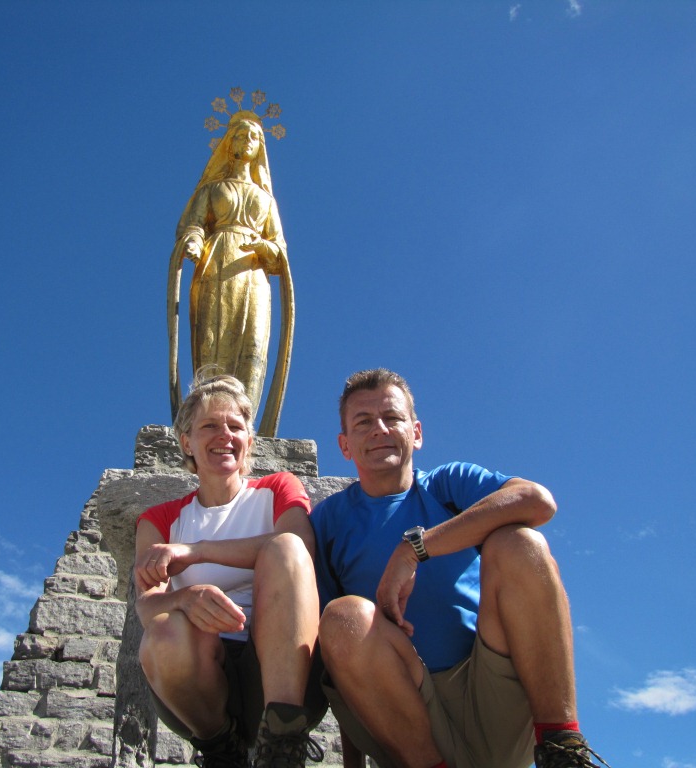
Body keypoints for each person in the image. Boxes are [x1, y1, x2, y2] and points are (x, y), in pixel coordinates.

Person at [310, 369, 610, 768]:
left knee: (520, 542)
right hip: (406, 713)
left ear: (416, 432)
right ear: (345, 445)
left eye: (392, 417)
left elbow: (537, 500)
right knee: (343, 616)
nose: (380, 429)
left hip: (491, 694)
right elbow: (334, 652)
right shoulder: (329, 521)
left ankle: (562, 747)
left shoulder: (448, 485)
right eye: (363, 422)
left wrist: (413, 550)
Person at [135, 372, 325, 768]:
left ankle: (282, 738)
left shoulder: (278, 489)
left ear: (249, 442)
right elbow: (147, 605)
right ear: (186, 442)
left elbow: (301, 548)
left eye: (235, 427)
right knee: (163, 630)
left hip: (278, 667)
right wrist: (185, 598)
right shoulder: (160, 519)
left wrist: (198, 551)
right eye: (209, 426)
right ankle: (221, 750)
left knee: (285, 547)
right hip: (200, 681)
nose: (224, 435)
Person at [167, 111, 294, 437]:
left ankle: (242, 424)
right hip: (216, 264)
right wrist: (194, 240)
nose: (247, 141)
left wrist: (265, 248)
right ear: (228, 142)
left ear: (260, 147)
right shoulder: (211, 189)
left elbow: (279, 247)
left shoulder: (266, 199)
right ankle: (207, 419)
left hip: (253, 272)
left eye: (254, 137)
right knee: (212, 338)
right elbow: (193, 224)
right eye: (240, 134)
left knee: (252, 341)